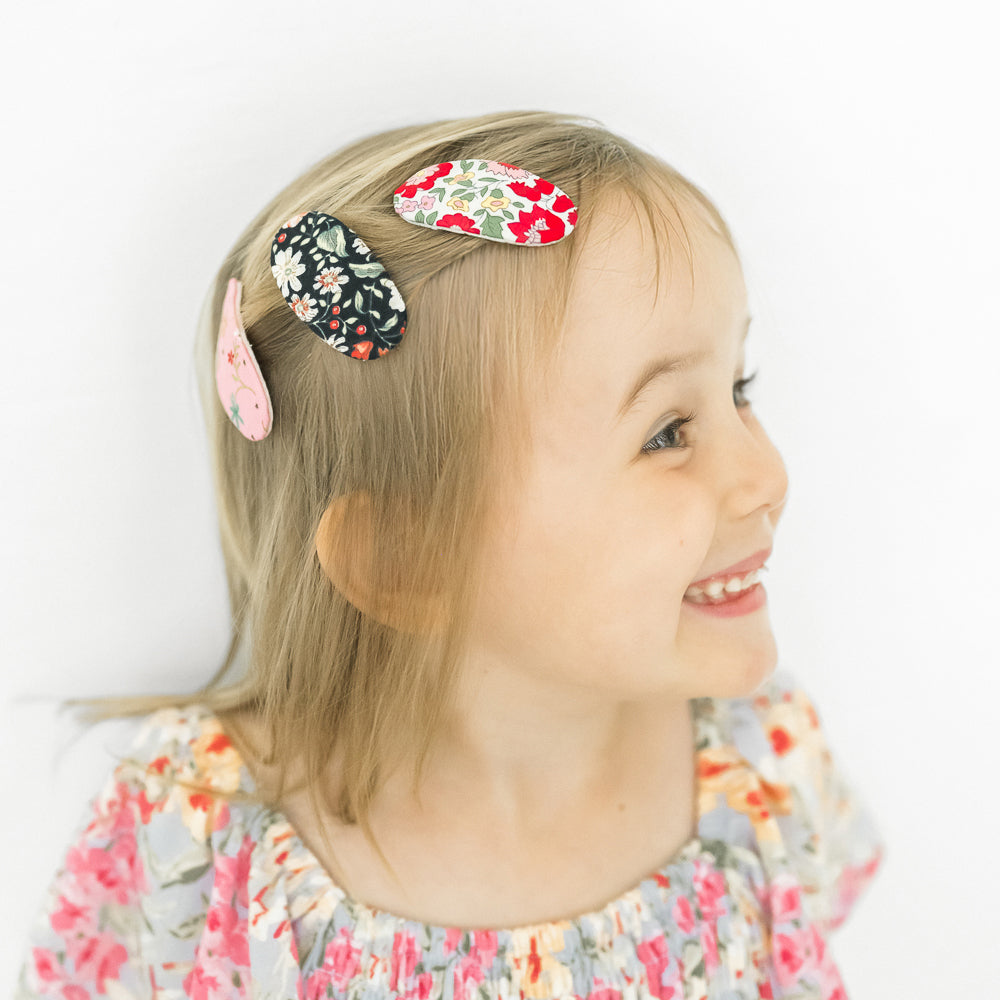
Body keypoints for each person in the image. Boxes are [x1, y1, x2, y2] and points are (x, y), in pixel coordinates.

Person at [17, 111, 884, 999]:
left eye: (740, 388)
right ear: (406, 560)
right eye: (667, 432)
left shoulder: (760, 761)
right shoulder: (194, 836)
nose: (766, 475)